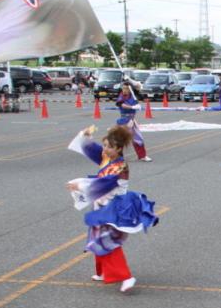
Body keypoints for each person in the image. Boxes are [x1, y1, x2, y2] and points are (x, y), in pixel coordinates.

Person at [65, 124, 158, 293]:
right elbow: (92, 150)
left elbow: (104, 184)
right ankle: (102, 272)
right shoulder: (108, 158)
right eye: (105, 145)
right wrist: (85, 137)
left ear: (119, 148)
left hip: (116, 206)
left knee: (107, 240)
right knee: (97, 235)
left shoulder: (120, 166)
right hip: (104, 204)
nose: (105, 150)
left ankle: (126, 276)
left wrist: (79, 185)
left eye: (109, 147)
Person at [115, 82, 150, 161]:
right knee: (121, 139)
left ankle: (142, 156)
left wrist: (131, 81)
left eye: (126, 88)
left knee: (138, 138)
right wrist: (132, 107)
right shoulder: (121, 96)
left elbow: (139, 86)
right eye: (123, 88)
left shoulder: (133, 96)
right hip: (124, 120)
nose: (124, 90)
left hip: (132, 120)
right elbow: (121, 104)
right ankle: (117, 157)